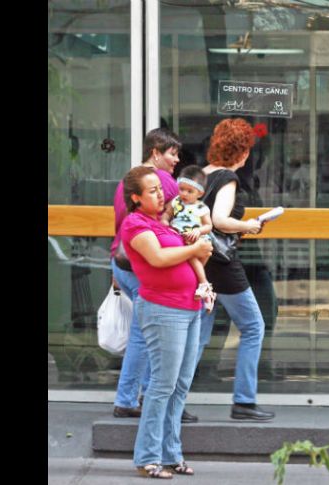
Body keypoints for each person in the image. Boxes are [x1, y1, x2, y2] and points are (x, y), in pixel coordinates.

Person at [120, 166, 212, 478]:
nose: (161, 195)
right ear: (135, 197)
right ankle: (148, 457)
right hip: (162, 309)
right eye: (152, 191)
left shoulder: (166, 224)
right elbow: (158, 259)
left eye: (160, 189)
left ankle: (171, 455)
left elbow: (189, 257)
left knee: (180, 386)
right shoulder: (134, 224)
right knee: (162, 385)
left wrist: (202, 254)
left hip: (190, 307)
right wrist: (195, 248)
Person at [109, 128, 199, 423]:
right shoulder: (161, 182)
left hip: (122, 262)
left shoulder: (130, 179)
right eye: (171, 153)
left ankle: (138, 396)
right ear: (155, 153)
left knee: (144, 333)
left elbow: (120, 225)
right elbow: (182, 217)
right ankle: (137, 397)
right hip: (143, 264)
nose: (176, 160)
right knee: (146, 335)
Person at [196, 117, 275, 421]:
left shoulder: (202, 175)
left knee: (198, 335)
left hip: (201, 262)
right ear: (242, 151)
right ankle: (244, 401)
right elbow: (219, 220)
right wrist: (249, 226)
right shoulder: (228, 178)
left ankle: (173, 399)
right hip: (223, 264)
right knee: (254, 327)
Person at [161, 165, 217, 312]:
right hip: (181, 238)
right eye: (181, 189)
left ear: (200, 193)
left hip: (197, 240)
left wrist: (198, 231)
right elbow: (167, 214)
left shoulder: (201, 208)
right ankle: (206, 291)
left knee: (192, 258)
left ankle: (204, 285)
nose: (184, 194)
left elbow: (208, 226)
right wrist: (165, 222)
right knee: (192, 268)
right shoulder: (176, 202)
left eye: (189, 191)